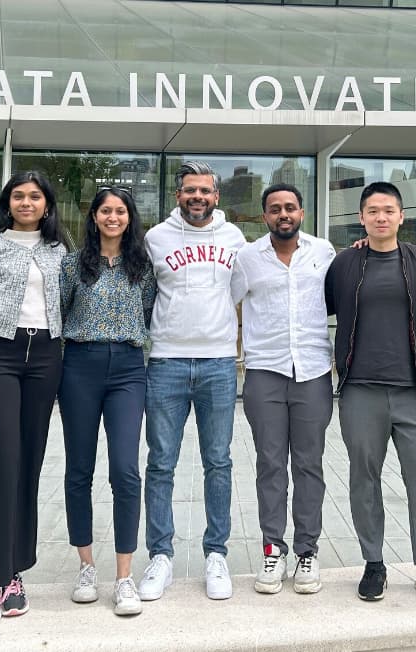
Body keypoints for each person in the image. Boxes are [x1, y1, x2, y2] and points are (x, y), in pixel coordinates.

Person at [324, 181, 416, 607]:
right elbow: (324, 308)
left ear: (402, 216)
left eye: (389, 210)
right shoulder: (344, 264)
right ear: (361, 218)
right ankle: (373, 563)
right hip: (360, 390)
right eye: (373, 211)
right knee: (364, 478)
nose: (381, 217)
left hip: (414, 391)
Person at [0, 171, 66, 624]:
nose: (26, 203)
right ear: (8, 203)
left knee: (29, 466)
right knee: (0, 465)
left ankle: (17, 570)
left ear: (46, 204)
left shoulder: (62, 252)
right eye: (18, 196)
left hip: (46, 357)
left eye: (34, 196)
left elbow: (76, 304)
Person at [137, 161, 247, 602]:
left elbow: (240, 290)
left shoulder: (234, 238)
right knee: (161, 462)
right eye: (189, 190)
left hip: (219, 362)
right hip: (165, 361)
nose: (197, 197)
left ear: (216, 196)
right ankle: (160, 555)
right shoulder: (156, 238)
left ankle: (215, 554)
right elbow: (139, 290)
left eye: (204, 190)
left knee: (217, 462)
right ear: (178, 195)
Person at [230, 183, 335, 595]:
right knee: (270, 465)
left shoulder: (323, 252)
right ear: (265, 216)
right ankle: (273, 548)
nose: (283, 214)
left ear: (302, 213)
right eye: (275, 209)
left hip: (312, 373)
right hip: (265, 373)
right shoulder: (247, 258)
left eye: (290, 207)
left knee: (309, 465)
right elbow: (229, 305)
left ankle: (308, 550)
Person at [59, 187, 155, 617]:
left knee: (125, 468)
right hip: (80, 365)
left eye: (120, 211)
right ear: (94, 217)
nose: (113, 217)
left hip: (129, 369)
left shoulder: (142, 266)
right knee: (79, 468)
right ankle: (85, 567)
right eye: (105, 211)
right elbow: (55, 312)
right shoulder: (73, 264)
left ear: (129, 218)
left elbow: (149, 312)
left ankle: (124, 576)